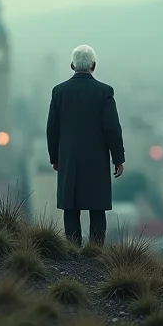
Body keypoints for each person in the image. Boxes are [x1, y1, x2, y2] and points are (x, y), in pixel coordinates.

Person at [46, 44, 125, 246]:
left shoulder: (59, 92)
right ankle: (95, 255)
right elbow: (112, 129)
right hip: (96, 160)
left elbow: (52, 129)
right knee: (97, 208)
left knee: (70, 208)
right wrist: (118, 159)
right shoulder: (104, 92)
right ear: (93, 66)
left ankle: (72, 251)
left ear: (72, 66)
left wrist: (55, 158)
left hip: (68, 159)